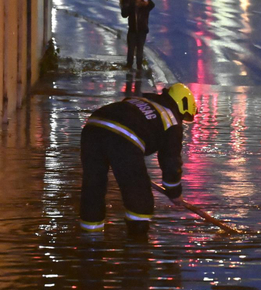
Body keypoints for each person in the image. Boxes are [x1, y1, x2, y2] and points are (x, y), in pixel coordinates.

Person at [79, 83, 197, 237]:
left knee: (93, 185)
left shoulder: (140, 101)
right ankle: (137, 245)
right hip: (124, 137)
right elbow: (171, 162)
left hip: (93, 127)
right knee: (139, 195)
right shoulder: (171, 121)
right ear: (183, 105)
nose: (182, 120)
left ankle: (90, 239)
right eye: (184, 116)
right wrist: (174, 192)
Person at [121, 0, 155, 70]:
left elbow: (151, 4)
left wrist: (145, 2)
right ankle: (129, 64)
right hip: (132, 30)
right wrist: (129, 4)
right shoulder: (131, 4)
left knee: (140, 48)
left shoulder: (145, 5)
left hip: (142, 30)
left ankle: (139, 66)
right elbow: (124, 14)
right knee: (131, 48)